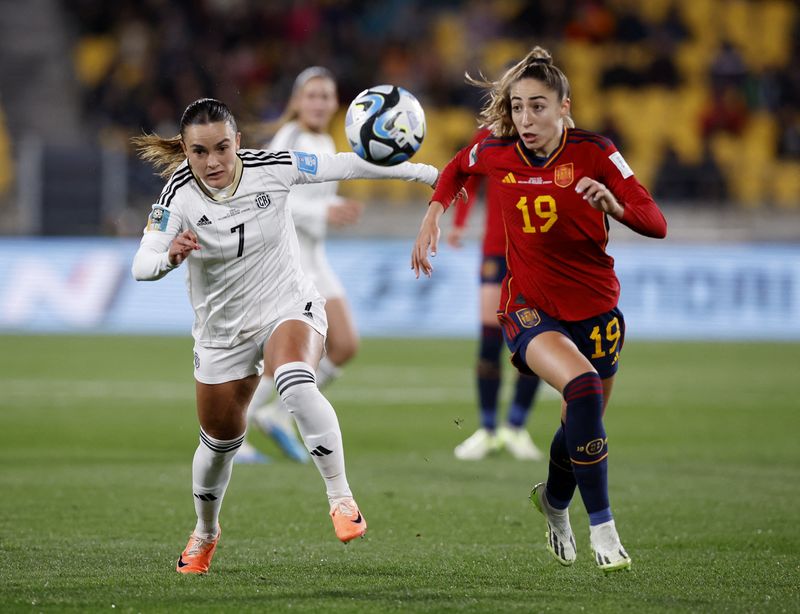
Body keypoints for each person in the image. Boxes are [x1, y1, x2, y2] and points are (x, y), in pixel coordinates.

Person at [131, 97, 438, 574]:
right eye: (198, 152)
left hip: (287, 305)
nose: (212, 162)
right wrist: (168, 258)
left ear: (237, 142)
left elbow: (344, 165)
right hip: (221, 335)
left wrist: (422, 174)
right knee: (218, 447)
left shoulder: (272, 166)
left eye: (221, 148)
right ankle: (205, 532)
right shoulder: (177, 196)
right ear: (185, 151)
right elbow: (141, 263)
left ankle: (341, 498)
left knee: (295, 380)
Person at [412, 47, 667, 573]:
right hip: (528, 307)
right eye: (519, 107)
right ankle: (604, 526)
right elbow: (458, 167)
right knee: (583, 388)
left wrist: (615, 208)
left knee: (580, 416)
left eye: (539, 107)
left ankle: (553, 502)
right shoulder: (497, 148)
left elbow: (654, 219)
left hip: (596, 309)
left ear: (564, 107)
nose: (526, 119)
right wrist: (434, 212)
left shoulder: (596, 153)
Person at [237, 67, 363, 465]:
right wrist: (326, 209)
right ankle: (236, 432)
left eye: (326, 96)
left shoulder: (325, 139)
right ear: (297, 101)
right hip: (289, 260)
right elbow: (272, 198)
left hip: (315, 256)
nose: (320, 103)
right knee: (285, 357)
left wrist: (326, 213)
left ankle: (275, 413)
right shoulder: (290, 139)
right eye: (312, 95)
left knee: (344, 346)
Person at [447, 127, 543, 461]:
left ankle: (515, 427)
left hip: (537, 253)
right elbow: (467, 176)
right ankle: (487, 430)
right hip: (495, 249)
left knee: (534, 342)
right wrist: (459, 221)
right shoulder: (489, 135)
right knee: (490, 338)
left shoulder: (550, 136)